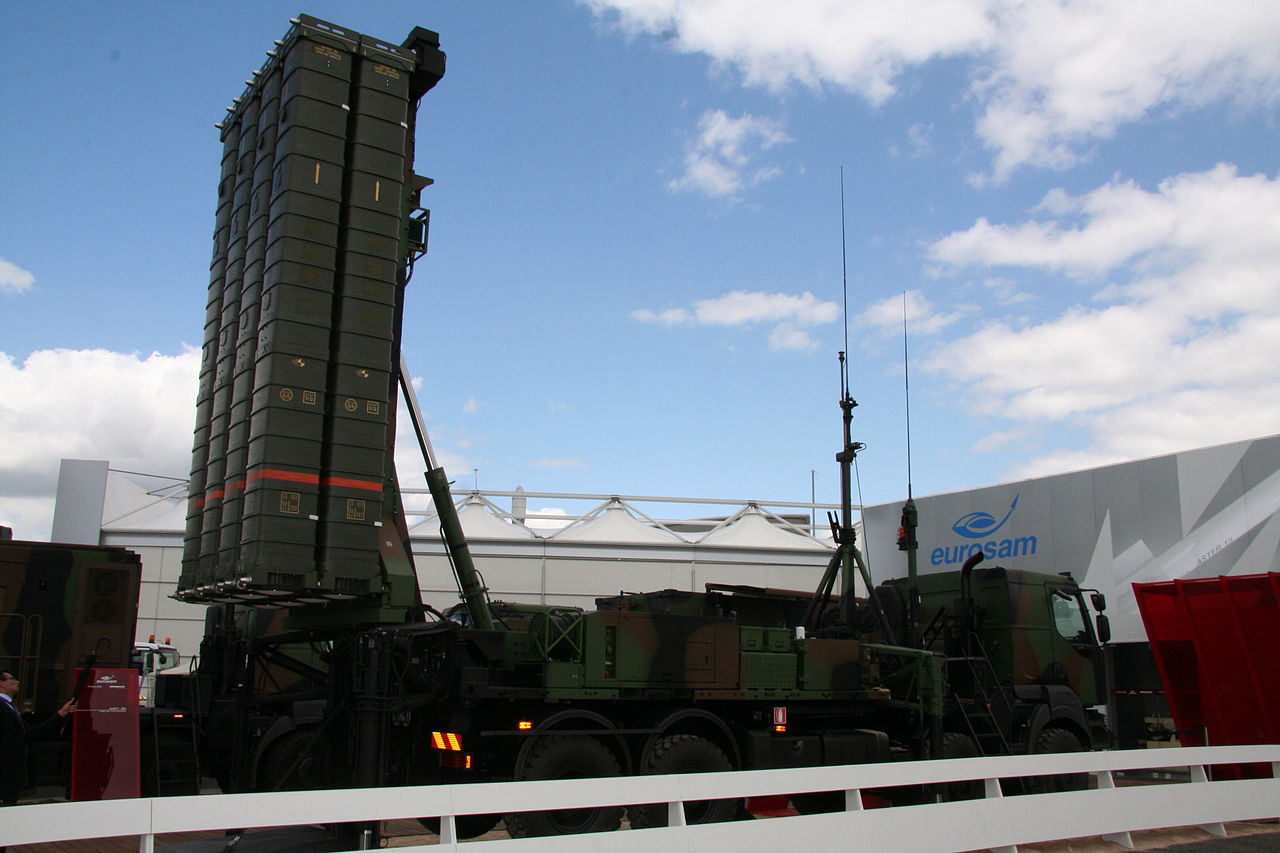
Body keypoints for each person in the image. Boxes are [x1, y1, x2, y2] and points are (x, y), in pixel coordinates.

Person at [0, 671, 76, 807]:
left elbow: (32, 733)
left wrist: (60, 714)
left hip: (12, 775)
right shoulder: (3, 707)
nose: (17, 682)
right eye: (13, 679)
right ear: (2, 684)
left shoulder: (10, 707)